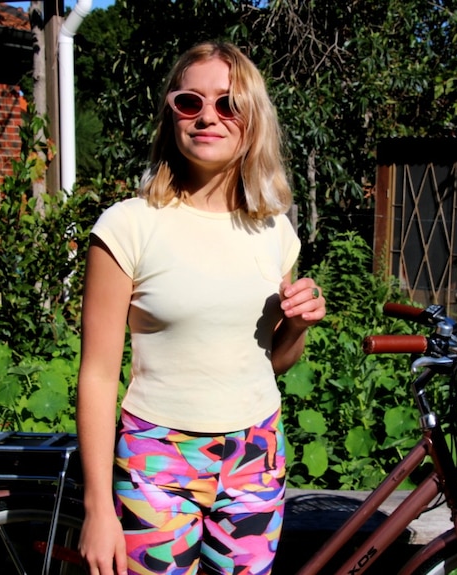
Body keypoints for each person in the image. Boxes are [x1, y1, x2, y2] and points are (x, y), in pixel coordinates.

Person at [76, 41, 326, 575]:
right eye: (190, 102)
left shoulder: (274, 228)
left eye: (228, 103)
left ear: (251, 119)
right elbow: (97, 375)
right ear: (172, 114)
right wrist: (99, 508)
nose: (208, 116)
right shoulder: (128, 226)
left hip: (255, 455)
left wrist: (298, 326)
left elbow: (273, 361)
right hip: (158, 457)